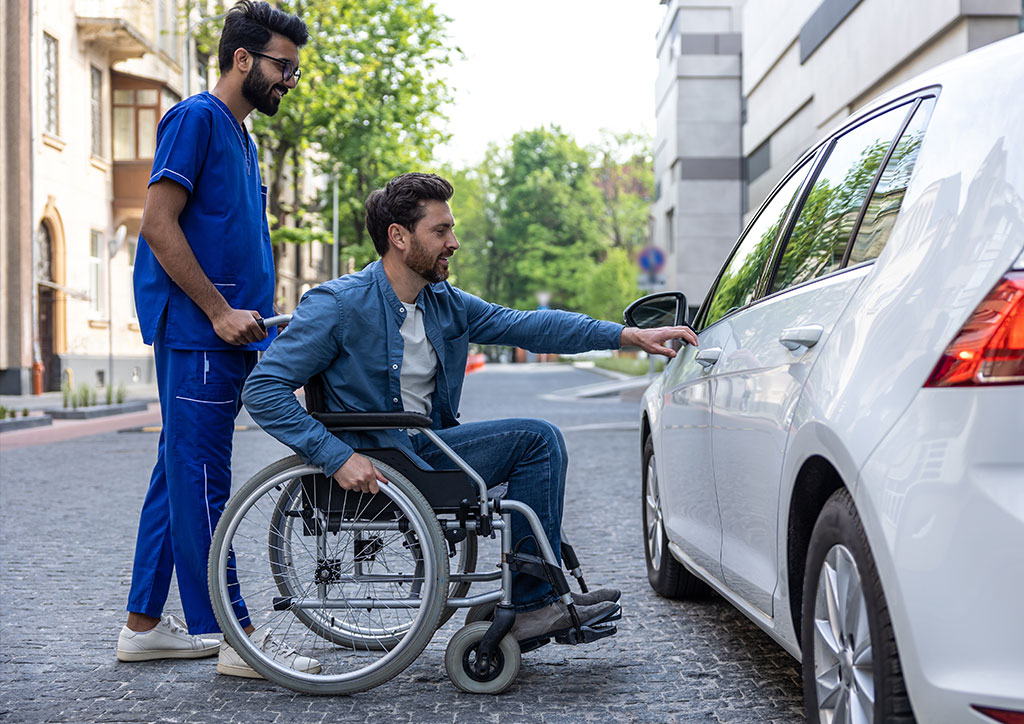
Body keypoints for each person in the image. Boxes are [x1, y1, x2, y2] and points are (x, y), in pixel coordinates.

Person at [241, 172, 699, 645]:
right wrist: (335, 456)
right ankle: (531, 600)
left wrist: (628, 336)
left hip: (424, 451)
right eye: (440, 231)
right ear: (399, 237)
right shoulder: (338, 305)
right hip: (381, 461)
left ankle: (532, 592)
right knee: (537, 439)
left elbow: (528, 326)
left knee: (540, 443)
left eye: (451, 230)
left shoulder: (443, 302)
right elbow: (263, 391)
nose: (453, 242)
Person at [116, 1, 318, 679]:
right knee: (203, 485)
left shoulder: (242, 134)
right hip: (200, 340)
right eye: (282, 65)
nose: (289, 79)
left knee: (177, 475)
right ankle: (235, 636)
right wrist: (218, 310)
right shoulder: (196, 118)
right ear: (243, 59)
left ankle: (143, 626)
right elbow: (158, 224)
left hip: (229, 341)